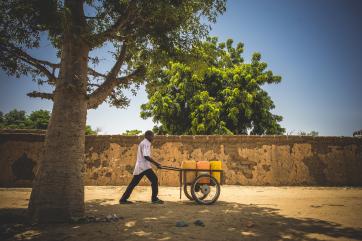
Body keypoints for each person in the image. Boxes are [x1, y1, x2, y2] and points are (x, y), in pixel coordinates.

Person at [119, 130, 164, 204]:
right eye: (152, 136)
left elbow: (146, 156)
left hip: (142, 166)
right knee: (154, 179)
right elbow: (146, 156)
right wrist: (156, 164)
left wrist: (156, 164)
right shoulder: (146, 143)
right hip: (143, 167)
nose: (153, 138)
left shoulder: (144, 143)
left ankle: (123, 199)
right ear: (148, 136)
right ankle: (154, 199)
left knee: (134, 183)